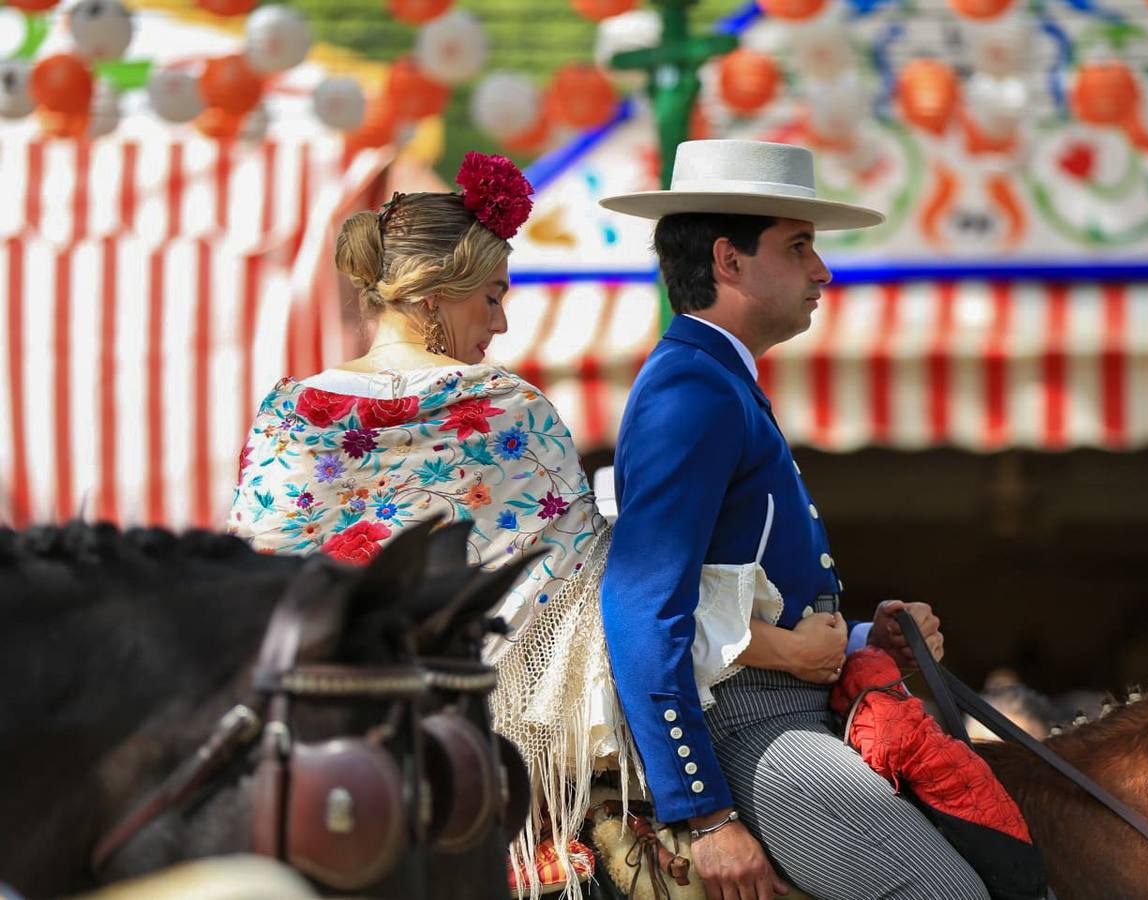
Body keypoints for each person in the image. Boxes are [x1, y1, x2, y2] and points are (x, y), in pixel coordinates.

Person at [226, 152, 847, 898]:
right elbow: (605, 598)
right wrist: (778, 645)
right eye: (492, 297)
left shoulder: (288, 416)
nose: (501, 322)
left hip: (329, 773)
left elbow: (253, 598)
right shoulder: (505, 409)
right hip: (488, 781)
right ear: (437, 295)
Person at [598, 139, 989, 900]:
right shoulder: (693, 389)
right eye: (799, 246)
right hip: (752, 730)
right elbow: (641, 605)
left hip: (791, 715)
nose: (822, 271)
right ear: (729, 261)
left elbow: (740, 595)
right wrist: (705, 811)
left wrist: (865, 639)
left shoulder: (714, 380)